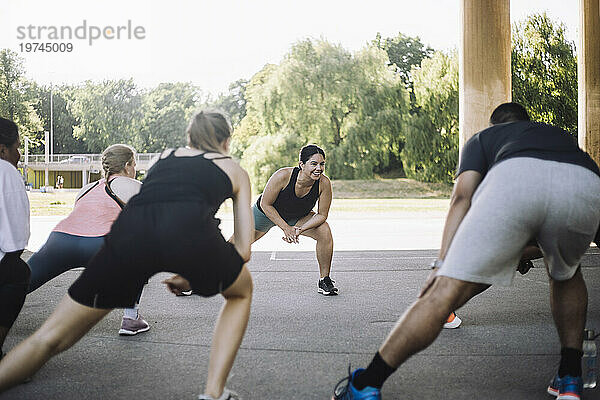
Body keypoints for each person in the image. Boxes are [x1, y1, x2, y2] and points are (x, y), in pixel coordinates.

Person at [331, 102, 600, 400]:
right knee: (567, 273)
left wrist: (441, 265)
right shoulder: (556, 135)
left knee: (443, 292)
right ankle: (571, 377)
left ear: (494, 125)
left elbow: (462, 197)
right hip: (585, 183)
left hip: (516, 180)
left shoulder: (484, 138)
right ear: (527, 121)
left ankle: (366, 383)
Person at [0, 110, 254, 400]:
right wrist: (196, 273)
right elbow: (243, 249)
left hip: (127, 238)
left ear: (189, 139)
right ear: (227, 140)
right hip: (193, 239)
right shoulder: (235, 170)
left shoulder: (167, 156)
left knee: (49, 339)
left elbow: (158, 218)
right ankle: (213, 392)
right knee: (241, 291)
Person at [26, 144, 149, 336]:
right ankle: (131, 318)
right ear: (126, 166)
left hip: (60, 241)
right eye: (134, 165)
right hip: (99, 245)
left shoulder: (86, 188)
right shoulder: (132, 185)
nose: (135, 170)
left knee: (21, 282)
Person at [251, 144, 337, 295]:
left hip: (296, 217)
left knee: (324, 231)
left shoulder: (324, 183)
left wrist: (299, 230)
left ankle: (324, 280)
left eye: (322, 164)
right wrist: (286, 228)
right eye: (314, 164)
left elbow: (322, 215)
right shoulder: (283, 176)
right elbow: (266, 204)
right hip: (266, 213)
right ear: (301, 165)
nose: (319, 168)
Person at [0, 117, 30, 360]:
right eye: (17, 147)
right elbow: (16, 243)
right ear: (3, 149)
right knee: (18, 272)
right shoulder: (6, 171)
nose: (19, 154)